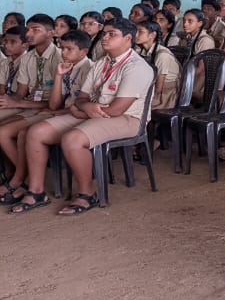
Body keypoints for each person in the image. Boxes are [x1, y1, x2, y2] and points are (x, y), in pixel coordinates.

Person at [12, 20, 154, 215]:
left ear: (128, 38)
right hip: (93, 112)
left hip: (128, 119)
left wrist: (81, 110)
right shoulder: (102, 62)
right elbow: (81, 98)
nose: (104, 37)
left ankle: (87, 194)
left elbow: (116, 110)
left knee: (72, 140)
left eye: (112, 34)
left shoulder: (136, 66)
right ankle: (36, 191)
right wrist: (84, 108)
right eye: (104, 33)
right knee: (36, 132)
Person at [0, 29, 93, 203]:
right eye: (62, 48)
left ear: (84, 51)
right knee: (21, 134)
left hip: (75, 115)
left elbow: (79, 106)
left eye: (68, 49)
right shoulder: (68, 67)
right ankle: (22, 179)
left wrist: (61, 110)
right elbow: (53, 104)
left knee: (27, 132)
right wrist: (58, 75)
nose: (63, 53)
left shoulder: (89, 69)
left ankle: (25, 181)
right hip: (58, 110)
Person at [134, 20, 181, 111]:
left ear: (152, 35)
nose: (136, 35)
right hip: (151, 90)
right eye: (136, 31)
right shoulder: (142, 52)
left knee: (132, 106)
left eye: (140, 32)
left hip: (166, 95)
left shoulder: (162, 55)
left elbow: (158, 89)